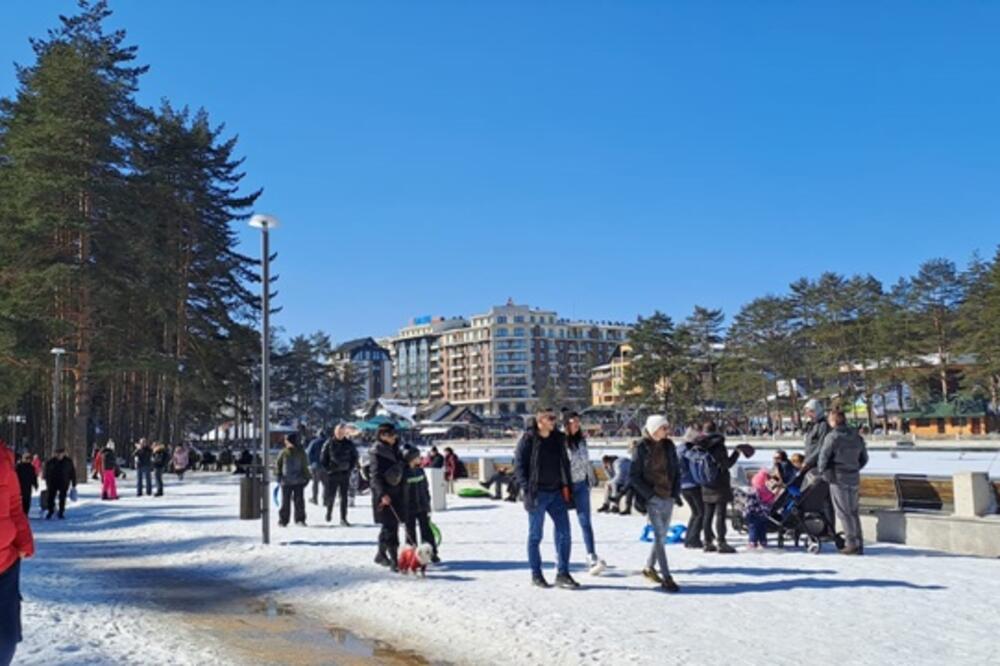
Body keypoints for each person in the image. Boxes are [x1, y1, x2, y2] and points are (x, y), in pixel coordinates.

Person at [513, 406, 578, 590]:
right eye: (550, 418)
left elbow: (565, 462)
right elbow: (519, 466)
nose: (554, 421)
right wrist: (527, 489)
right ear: (540, 420)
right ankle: (536, 574)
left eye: (554, 418)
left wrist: (568, 487)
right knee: (535, 536)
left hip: (557, 492)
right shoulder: (528, 440)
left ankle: (563, 573)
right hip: (537, 494)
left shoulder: (558, 439)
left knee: (565, 533)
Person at [629, 415, 682, 593]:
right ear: (653, 429)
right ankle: (667, 577)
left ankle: (649, 567)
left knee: (662, 535)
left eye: (667, 427)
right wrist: (649, 495)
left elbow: (676, 470)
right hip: (653, 497)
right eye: (663, 428)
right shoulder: (641, 448)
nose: (667, 431)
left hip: (668, 496)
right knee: (660, 537)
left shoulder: (669, 446)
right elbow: (634, 476)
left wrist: (675, 493)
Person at [1, 439, 34, 666]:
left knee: (7, 638)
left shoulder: (3, 458)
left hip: (5, 563)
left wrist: (24, 541)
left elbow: (14, 503)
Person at [818, 409, 869, 555]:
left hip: (838, 477)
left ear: (834, 421)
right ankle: (859, 542)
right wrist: (854, 468)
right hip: (853, 477)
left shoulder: (833, 437)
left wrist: (824, 473)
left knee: (843, 512)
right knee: (853, 512)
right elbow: (864, 458)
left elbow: (823, 457)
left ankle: (851, 544)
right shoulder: (856, 436)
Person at [693, 421, 745, 554]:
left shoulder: (699, 445)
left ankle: (707, 541)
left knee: (708, 514)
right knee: (720, 514)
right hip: (719, 483)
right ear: (716, 430)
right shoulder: (718, 445)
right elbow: (726, 464)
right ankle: (721, 542)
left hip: (705, 482)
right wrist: (737, 453)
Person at [564, 412, 605, 574]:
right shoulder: (561, 441)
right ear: (567, 423)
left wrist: (590, 478)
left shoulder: (582, 441)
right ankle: (561, 558)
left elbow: (586, 461)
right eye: (574, 422)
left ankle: (591, 555)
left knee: (585, 522)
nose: (577, 425)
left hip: (581, 485)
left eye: (578, 422)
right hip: (565, 487)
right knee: (562, 525)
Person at [370, 423, 406, 571]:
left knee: (390, 526)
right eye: (391, 434)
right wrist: (382, 494)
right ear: (383, 435)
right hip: (384, 494)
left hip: (398, 491)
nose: (395, 437)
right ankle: (394, 560)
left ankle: (380, 554)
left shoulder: (397, 448)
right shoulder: (376, 451)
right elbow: (375, 476)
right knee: (390, 527)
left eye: (395, 434)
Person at [402, 446, 439, 563]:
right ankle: (411, 555)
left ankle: (432, 554)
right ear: (411, 458)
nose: (420, 458)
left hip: (422, 506)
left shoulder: (420, 470)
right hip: (408, 508)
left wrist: (428, 503)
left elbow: (425, 488)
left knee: (427, 531)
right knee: (410, 532)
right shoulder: (403, 473)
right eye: (418, 457)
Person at [320, 424, 359, 525]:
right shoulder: (329, 443)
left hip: (344, 474)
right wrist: (328, 469)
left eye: (342, 432)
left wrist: (349, 468)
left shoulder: (349, 444)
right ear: (335, 432)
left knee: (344, 497)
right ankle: (329, 512)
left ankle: (343, 518)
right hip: (332, 474)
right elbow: (323, 458)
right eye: (338, 432)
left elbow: (354, 457)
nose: (340, 434)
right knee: (331, 496)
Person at [678, 427, 705, 550]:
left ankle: (689, 538)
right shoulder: (686, 450)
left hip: (683, 486)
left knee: (695, 512)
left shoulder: (679, 448)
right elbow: (696, 458)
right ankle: (693, 539)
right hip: (691, 484)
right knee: (700, 512)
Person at [275, 433, 310, 527]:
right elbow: (278, 465)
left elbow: (304, 466)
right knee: (285, 502)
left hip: (298, 481)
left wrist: (307, 477)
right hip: (286, 481)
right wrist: (278, 475)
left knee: (299, 501)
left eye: (287, 440)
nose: (285, 442)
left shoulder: (301, 452)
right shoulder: (283, 452)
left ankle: (300, 519)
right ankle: (283, 520)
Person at [746, 468, 777, 549]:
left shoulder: (753, 489)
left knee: (753, 527)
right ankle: (763, 541)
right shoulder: (765, 490)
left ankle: (752, 541)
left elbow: (748, 502)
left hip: (752, 512)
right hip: (763, 512)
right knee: (762, 527)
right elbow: (771, 498)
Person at [43, 447, 77, 519]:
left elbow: (72, 472)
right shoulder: (51, 462)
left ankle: (61, 512)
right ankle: (50, 511)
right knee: (50, 498)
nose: (59, 455)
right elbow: (46, 473)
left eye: (60, 454)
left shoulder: (68, 462)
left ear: (64, 454)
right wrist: (47, 481)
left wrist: (74, 483)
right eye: (57, 454)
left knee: (62, 498)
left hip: (64, 482)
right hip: (53, 482)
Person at [306, 430, 326, 505]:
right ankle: (325, 500)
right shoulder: (329, 442)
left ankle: (315, 499)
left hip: (316, 466)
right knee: (326, 484)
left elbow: (309, 453)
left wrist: (311, 463)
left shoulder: (314, 442)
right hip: (326, 466)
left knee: (315, 483)